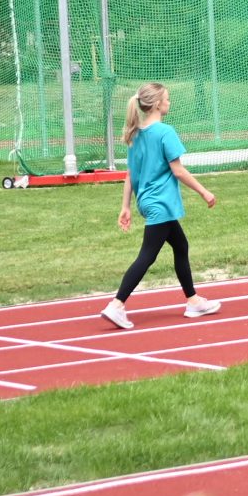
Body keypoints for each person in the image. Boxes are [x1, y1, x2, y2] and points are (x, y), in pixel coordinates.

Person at [102, 82, 220, 330]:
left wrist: (126, 207)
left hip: (147, 201)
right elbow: (178, 171)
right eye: (167, 98)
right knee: (147, 255)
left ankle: (193, 300)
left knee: (180, 245)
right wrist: (204, 192)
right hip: (161, 203)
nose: (170, 102)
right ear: (157, 104)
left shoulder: (136, 134)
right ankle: (117, 304)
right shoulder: (165, 132)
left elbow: (130, 174)